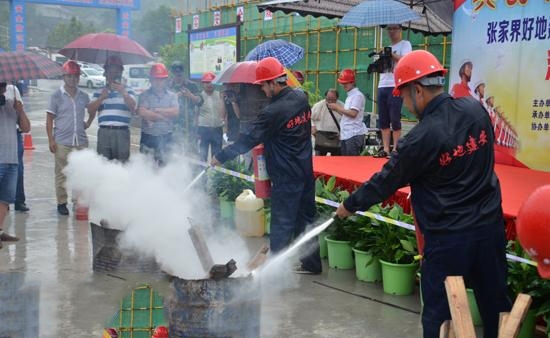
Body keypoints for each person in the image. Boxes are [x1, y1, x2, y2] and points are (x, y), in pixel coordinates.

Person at [335, 50, 511, 338]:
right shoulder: (475, 111)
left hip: (448, 241)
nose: (404, 105)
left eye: (404, 97)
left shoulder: (420, 138)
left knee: (439, 318)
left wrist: (349, 205)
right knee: (496, 307)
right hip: (490, 230)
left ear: (417, 90)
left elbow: (385, 181)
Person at [211, 57, 321, 274]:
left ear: (274, 82)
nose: (261, 89)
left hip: (286, 176)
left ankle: (273, 273)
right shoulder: (300, 98)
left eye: (263, 84)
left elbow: (247, 140)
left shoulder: (272, 112)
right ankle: (312, 264)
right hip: (305, 172)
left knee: (281, 225)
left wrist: (220, 157)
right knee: (306, 219)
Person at [46, 61, 94, 216]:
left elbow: (92, 110)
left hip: (80, 141)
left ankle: (78, 202)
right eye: (70, 76)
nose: (73, 79)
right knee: (61, 173)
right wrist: (51, 140)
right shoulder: (56, 96)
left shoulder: (84, 96)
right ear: (64, 77)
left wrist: (88, 122)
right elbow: (49, 120)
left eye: (76, 76)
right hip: (62, 141)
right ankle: (61, 203)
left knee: (81, 173)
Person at [88, 55, 137, 162]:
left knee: (122, 165)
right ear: (105, 73)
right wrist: (101, 98)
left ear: (120, 73)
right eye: (110, 71)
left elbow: (133, 107)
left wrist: (123, 92)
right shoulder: (99, 91)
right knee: (103, 164)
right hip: (104, 132)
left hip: (121, 132)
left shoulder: (128, 90)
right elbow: (90, 110)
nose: (113, 75)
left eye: (116, 72)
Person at [1, 81, 30, 249]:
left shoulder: (13, 95)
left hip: (11, 156)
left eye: (5, 84)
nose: (4, 87)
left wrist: (20, 110)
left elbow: (26, 128)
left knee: (5, 198)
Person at [375, 24, 412, 158]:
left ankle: (396, 148)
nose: (391, 31)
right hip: (382, 83)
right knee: (383, 118)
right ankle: (385, 148)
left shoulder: (405, 44)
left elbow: (406, 60)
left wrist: (391, 54)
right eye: (389, 29)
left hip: (395, 84)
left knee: (395, 117)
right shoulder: (386, 47)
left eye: (394, 28)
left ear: (400, 29)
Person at [137, 63, 179, 165]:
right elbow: (142, 112)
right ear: (151, 80)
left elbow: (175, 112)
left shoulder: (172, 96)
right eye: (156, 79)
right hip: (148, 137)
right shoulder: (144, 95)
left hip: (166, 136)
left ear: (165, 80)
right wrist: (163, 117)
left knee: (165, 166)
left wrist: (156, 110)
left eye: (161, 79)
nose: (158, 82)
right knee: (146, 166)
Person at [183, 72, 225, 162]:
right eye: (206, 82)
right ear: (203, 84)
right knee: (202, 155)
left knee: (217, 155)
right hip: (203, 130)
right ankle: (202, 175)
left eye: (210, 82)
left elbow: (225, 112)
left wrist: (225, 127)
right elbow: (196, 112)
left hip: (217, 129)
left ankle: (216, 175)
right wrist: (196, 131)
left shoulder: (220, 95)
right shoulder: (200, 96)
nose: (209, 84)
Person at [328, 69, 367, 156]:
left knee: (352, 163)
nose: (343, 85)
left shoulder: (357, 95)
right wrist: (336, 109)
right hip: (347, 134)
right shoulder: (350, 96)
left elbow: (353, 113)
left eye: (345, 83)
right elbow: (347, 114)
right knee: (346, 162)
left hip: (353, 134)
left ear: (352, 82)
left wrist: (338, 107)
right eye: (342, 83)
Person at [4, 84, 29, 212]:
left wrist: (19, 109)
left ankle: (19, 200)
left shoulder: (13, 89)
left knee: (17, 169)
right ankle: (4, 204)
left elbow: (25, 126)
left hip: (14, 135)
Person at [169, 61, 200, 148]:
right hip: (172, 124)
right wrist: (175, 97)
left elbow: (200, 101)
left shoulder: (192, 85)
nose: (178, 77)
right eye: (175, 74)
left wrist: (190, 96)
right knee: (173, 150)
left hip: (189, 125)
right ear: (172, 74)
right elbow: (163, 103)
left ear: (183, 73)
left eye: (179, 74)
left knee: (191, 149)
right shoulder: (168, 86)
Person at [311, 88, 343, 155]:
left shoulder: (342, 106)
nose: (330, 101)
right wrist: (313, 126)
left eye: (333, 99)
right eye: (328, 99)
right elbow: (310, 117)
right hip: (321, 137)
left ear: (337, 98)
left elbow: (346, 120)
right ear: (325, 97)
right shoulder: (318, 105)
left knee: (336, 161)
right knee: (320, 160)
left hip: (336, 137)